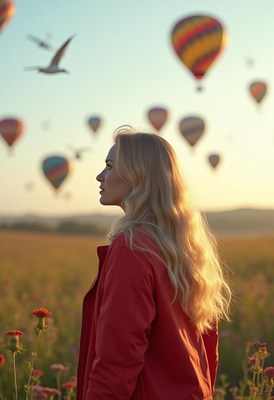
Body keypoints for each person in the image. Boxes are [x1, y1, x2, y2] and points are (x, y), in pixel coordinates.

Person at [76, 125, 231, 400]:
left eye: (110, 166)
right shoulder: (184, 245)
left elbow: (118, 358)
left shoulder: (132, 248)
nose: (100, 176)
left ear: (139, 176)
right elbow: (206, 347)